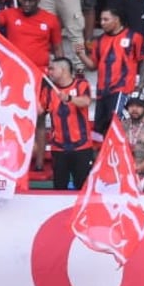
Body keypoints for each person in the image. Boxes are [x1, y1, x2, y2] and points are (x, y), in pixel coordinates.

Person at [84, 7, 144, 136]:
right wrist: (80, 54)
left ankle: (125, 153)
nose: (102, 23)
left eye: (106, 19)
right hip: (102, 91)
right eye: (101, 19)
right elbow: (92, 66)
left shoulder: (134, 37)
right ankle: (101, 156)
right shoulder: (99, 40)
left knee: (117, 125)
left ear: (117, 20)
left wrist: (140, 84)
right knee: (98, 130)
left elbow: (143, 60)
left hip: (121, 89)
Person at [39, 56, 94, 190]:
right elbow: (39, 110)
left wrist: (69, 98)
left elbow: (86, 101)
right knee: (59, 187)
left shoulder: (82, 84)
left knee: (83, 187)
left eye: (52, 68)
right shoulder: (48, 90)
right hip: (59, 148)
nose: (49, 71)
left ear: (63, 70)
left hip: (81, 147)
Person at [0, 0, 61, 72]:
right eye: (24, 0)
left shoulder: (50, 19)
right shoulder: (10, 13)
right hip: (15, 70)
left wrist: (60, 70)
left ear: (38, 1)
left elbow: (57, 49)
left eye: (30, 1)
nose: (26, 4)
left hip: (39, 72)